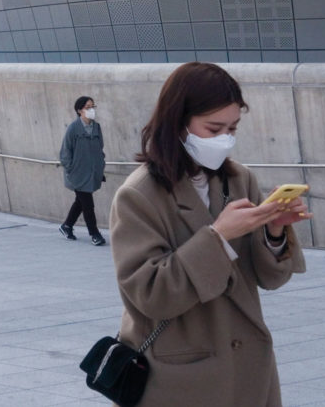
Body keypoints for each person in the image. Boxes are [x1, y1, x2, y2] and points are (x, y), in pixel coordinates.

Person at [110, 62, 310, 406]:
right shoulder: (138, 195)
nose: (225, 140)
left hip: (248, 367)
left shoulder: (239, 180)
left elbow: (269, 279)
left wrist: (274, 232)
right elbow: (150, 294)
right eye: (213, 128)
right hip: (182, 378)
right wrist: (217, 237)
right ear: (177, 123)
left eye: (233, 128)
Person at [59, 95, 107, 246]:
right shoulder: (73, 129)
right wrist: (71, 169)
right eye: (88, 107)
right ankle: (94, 234)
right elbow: (65, 152)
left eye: (93, 107)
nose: (91, 110)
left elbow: (100, 148)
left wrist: (100, 165)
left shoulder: (96, 127)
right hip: (78, 174)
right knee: (88, 204)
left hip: (92, 172)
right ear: (79, 110)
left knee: (80, 201)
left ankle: (66, 226)